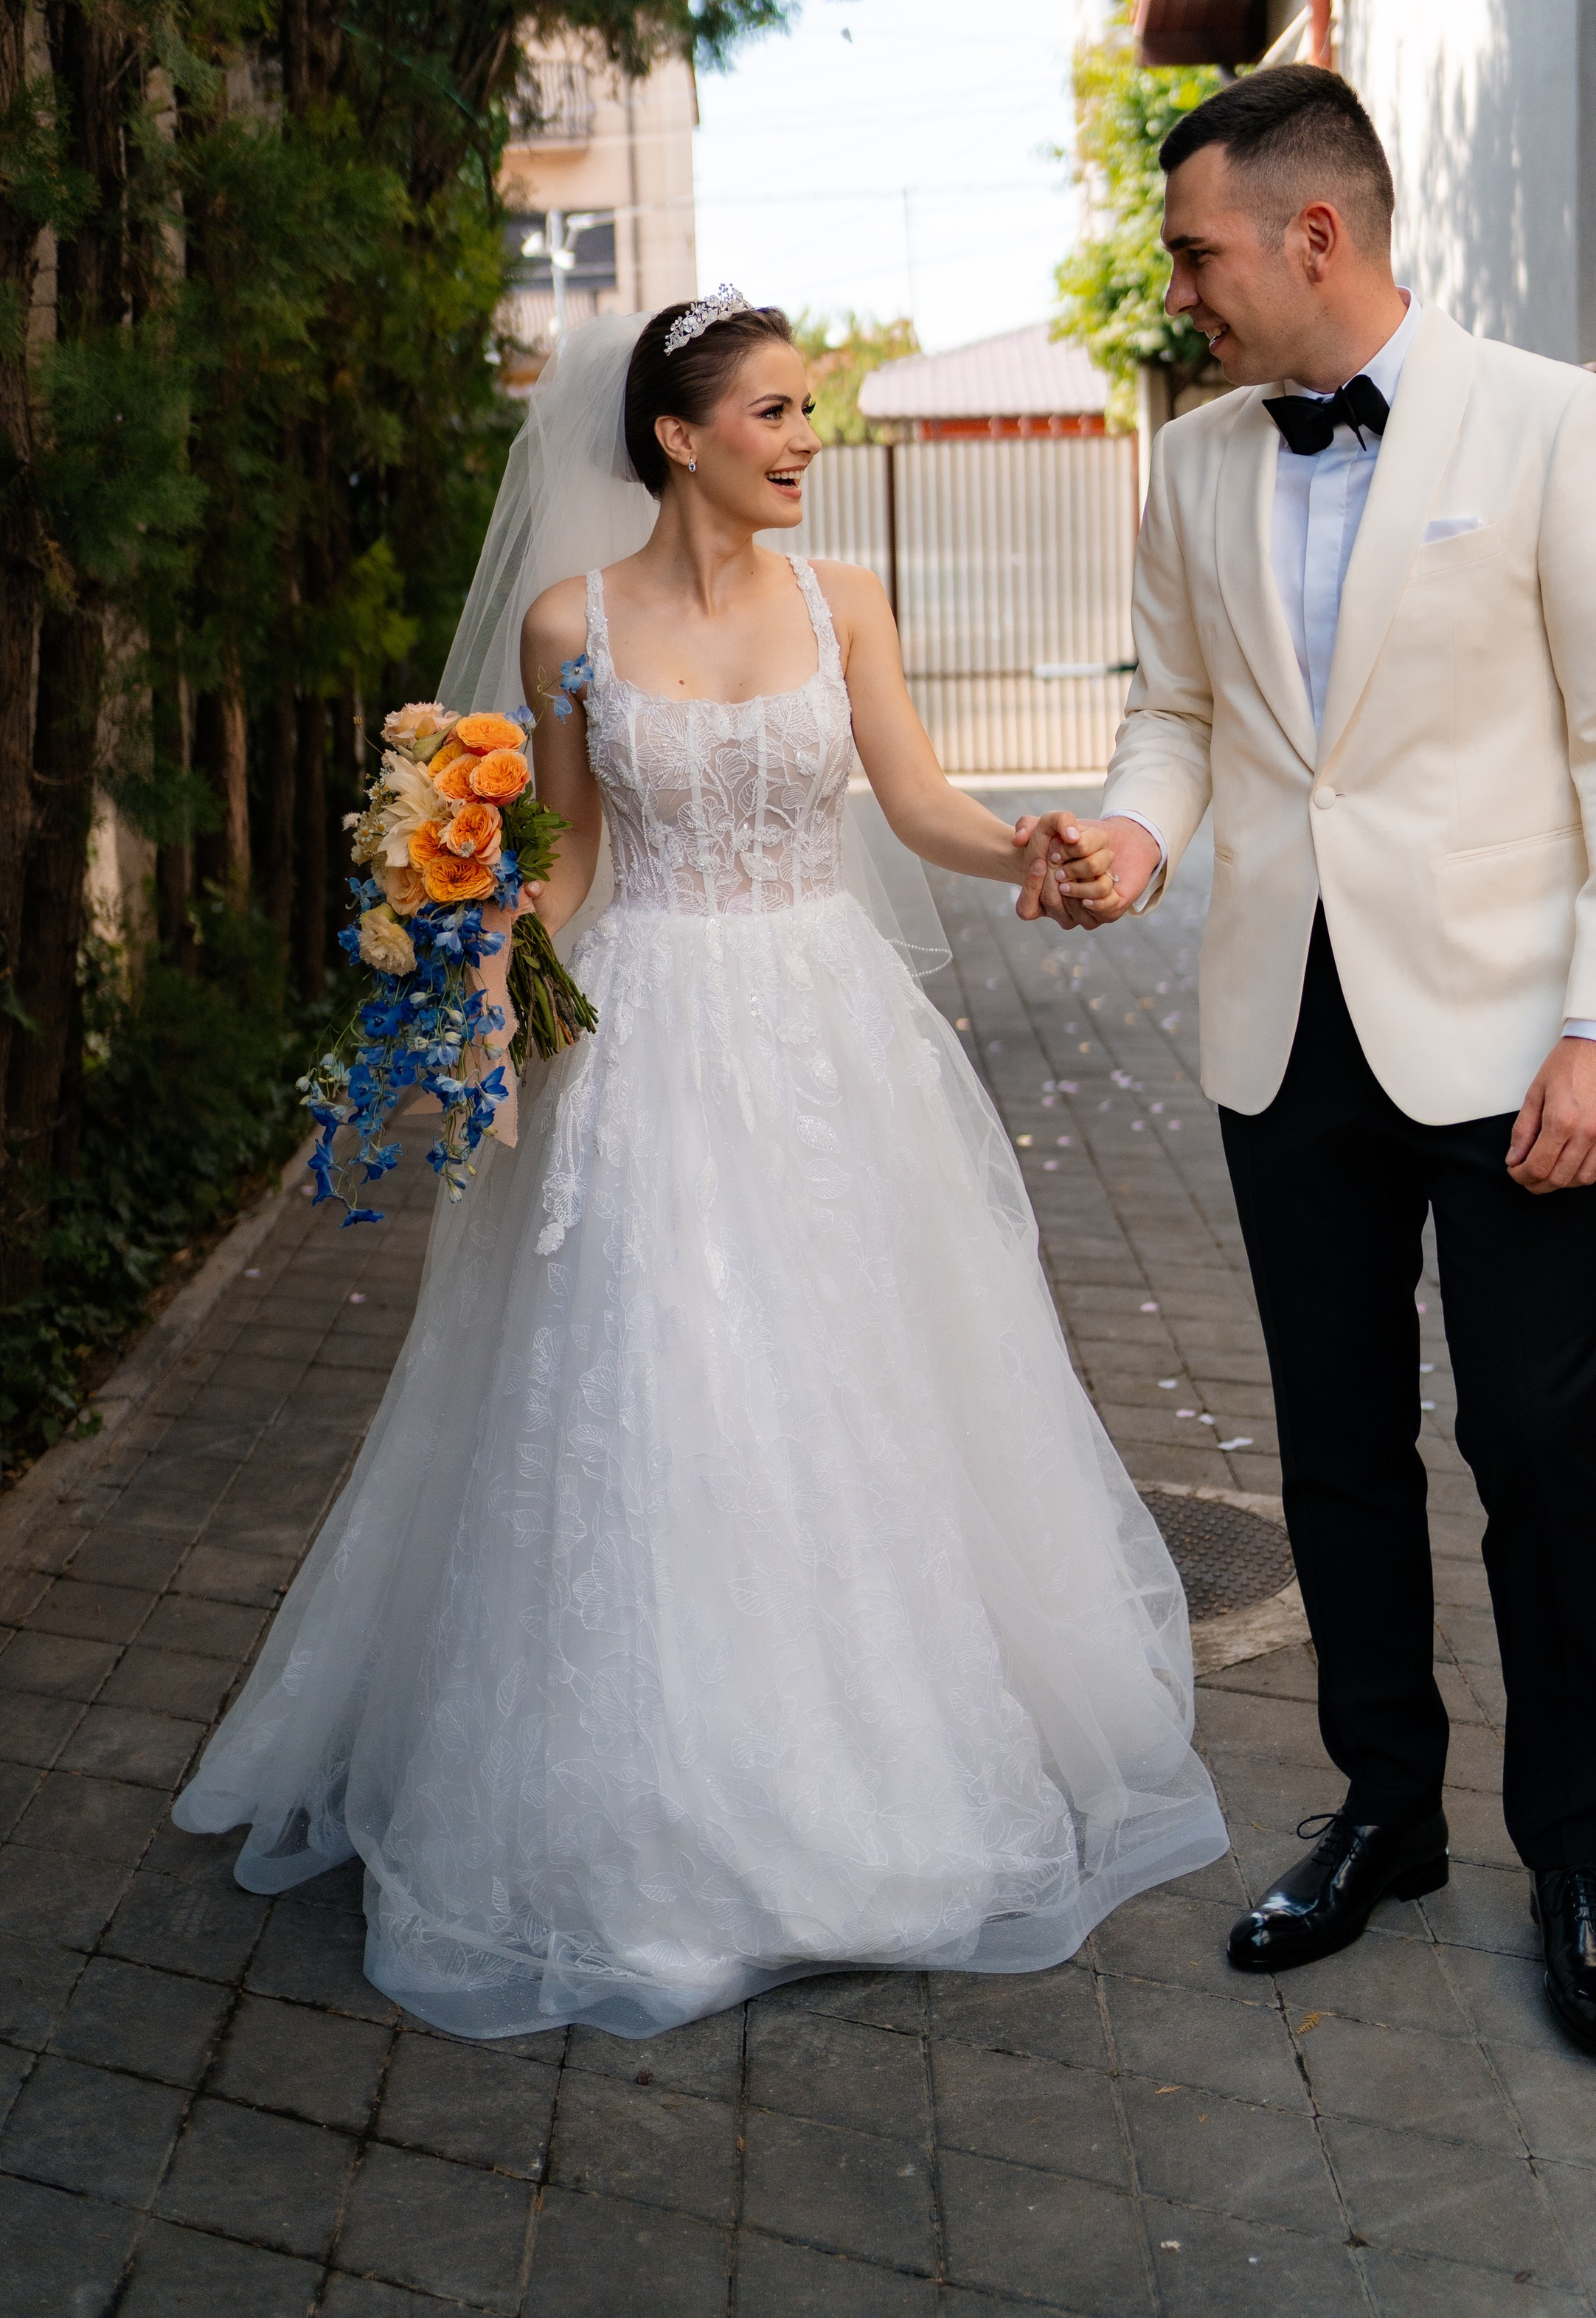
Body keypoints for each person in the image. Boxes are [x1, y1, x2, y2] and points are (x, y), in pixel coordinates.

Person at [173, 294, 1229, 2040]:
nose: (807, 438)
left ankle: (871, 1795)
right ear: (678, 437)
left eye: (809, 410)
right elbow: (576, 856)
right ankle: (644, 1836)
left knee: (849, 1396)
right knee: (659, 1398)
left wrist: (1029, 854)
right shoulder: (566, 623)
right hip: (646, 1045)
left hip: (827, 1039)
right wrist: (479, 946)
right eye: (776, 411)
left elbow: (917, 806)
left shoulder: (850, 604)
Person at [1022, 67, 1596, 2060]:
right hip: (1280, 1028)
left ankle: (1575, 1851)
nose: (1182, 296)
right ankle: (1384, 1810)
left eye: (1195, 253)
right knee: (1332, 1444)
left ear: (1314, 234)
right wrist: (1137, 836)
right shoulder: (1200, 462)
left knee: (1532, 1439)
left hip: (1513, 1042)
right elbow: (1176, 713)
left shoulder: (1557, 422)